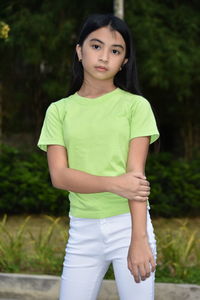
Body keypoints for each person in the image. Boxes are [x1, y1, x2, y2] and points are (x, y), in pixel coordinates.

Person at [37, 13, 160, 300]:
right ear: (79, 51)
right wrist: (114, 184)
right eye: (96, 46)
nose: (104, 56)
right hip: (82, 230)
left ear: (124, 61)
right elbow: (60, 176)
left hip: (128, 225)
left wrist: (139, 239)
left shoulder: (136, 106)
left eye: (115, 51)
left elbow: (136, 179)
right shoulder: (59, 111)